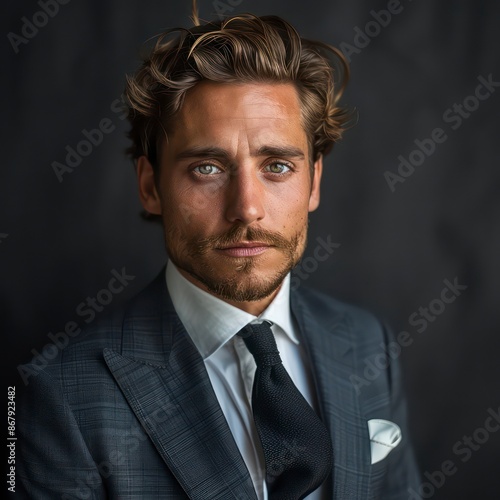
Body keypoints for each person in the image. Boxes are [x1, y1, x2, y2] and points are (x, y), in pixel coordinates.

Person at [17, 7, 420, 500]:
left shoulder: (366, 342)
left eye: (276, 165)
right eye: (207, 168)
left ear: (314, 181)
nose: (246, 208)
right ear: (150, 186)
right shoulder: (55, 396)